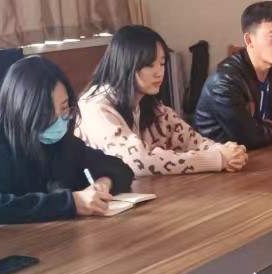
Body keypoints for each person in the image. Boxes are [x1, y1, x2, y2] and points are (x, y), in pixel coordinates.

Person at [0, 55, 133, 227]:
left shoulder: (61, 142)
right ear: (24, 111)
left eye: (64, 108)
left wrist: (103, 184)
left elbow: (120, 168)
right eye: (46, 113)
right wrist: (71, 203)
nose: (59, 120)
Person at [76, 25, 246, 175]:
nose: (159, 72)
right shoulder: (95, 107)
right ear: (126, 64)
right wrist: (216, 159)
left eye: (162, 64)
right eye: (150, 65)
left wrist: (228, 152)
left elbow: (193, 141)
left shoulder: (152, 106)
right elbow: (138, 161)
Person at [193, 1, 272, 147]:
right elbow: (248, 137)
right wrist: (271, 127)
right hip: (220, 157)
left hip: (264, 153)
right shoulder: (224, 81)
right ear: (249, 40)